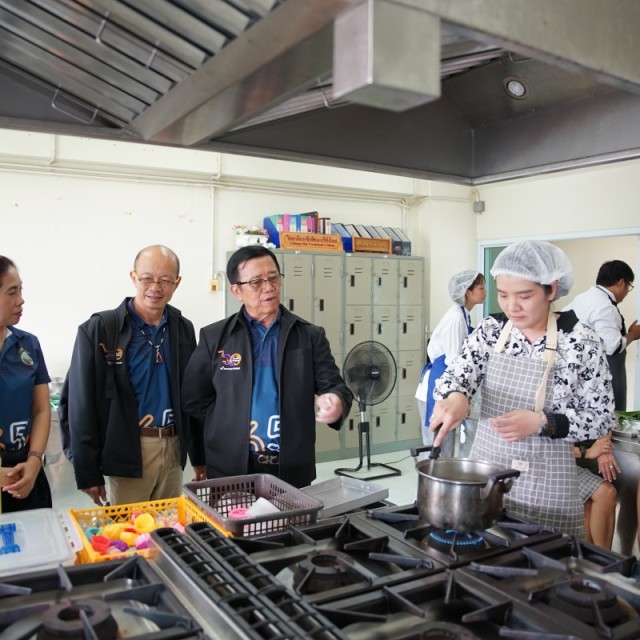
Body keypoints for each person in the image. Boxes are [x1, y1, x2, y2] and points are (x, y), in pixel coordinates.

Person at [429, 240, 615, 537]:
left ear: (551, 289)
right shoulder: (490, 331)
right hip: (487, 481)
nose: (511, 306)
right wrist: (457, 396)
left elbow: (601, 417)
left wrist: (543, 422)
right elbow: (457, 376)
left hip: (550, 489)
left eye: (524, 296)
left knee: (548, 560)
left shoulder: (581, 341)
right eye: (503, 294)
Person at [182, 245, 353, 488]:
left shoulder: (309, 336)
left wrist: (336, 400)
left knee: (293, 515)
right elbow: (193, 398)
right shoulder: (215, 337)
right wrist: (226, 422)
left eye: (273, 278)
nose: (269, 287)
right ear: (236, 290)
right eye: (256, 282)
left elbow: (335, 386)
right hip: (230, 468)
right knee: (234, 515)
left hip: (291, 468)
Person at [67, 245, 205, 506]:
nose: (155, 287)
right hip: (129, 448)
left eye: (165, 280)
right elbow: (80, 404)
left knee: (168, 525)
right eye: (147, 278)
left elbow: (193, 395)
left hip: (174, 446)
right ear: (133, 277)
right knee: (129, 527)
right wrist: (87, 472)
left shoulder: (182, 328)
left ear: (177, 283)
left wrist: (200, 456)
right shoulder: (101, 329)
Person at [0, 256, 53, 511]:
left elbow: (41, 409)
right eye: (12, 292)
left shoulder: (28, 345)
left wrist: (34, 461)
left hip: (25, 471)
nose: (21, 300)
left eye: (20, 290)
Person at [416, 270, 486, 454]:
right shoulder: (456, 318)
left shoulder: (463, 314)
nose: (485, 292)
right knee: (437, 446)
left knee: (445, 445)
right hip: (438, 383)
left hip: (447, 382)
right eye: (481, 288)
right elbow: (455, 359)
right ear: (467, 291)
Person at [563, 260, 640, 411]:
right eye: (628, 287)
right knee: (612, 413)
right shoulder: (605, 306)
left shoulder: (582, 298)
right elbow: (613, 347)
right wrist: (633, 334)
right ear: (621, 283)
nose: (626, 292)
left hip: (581, 370)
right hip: (605, 374)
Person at [573, 434, 618, 548]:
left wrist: (603, 448)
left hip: (581, 459)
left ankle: (600, 556)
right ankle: (601, 556)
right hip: (552, 464)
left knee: (593, 501)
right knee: (606, 493)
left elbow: (606, 425)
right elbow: (548, 445)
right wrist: (587, 452)